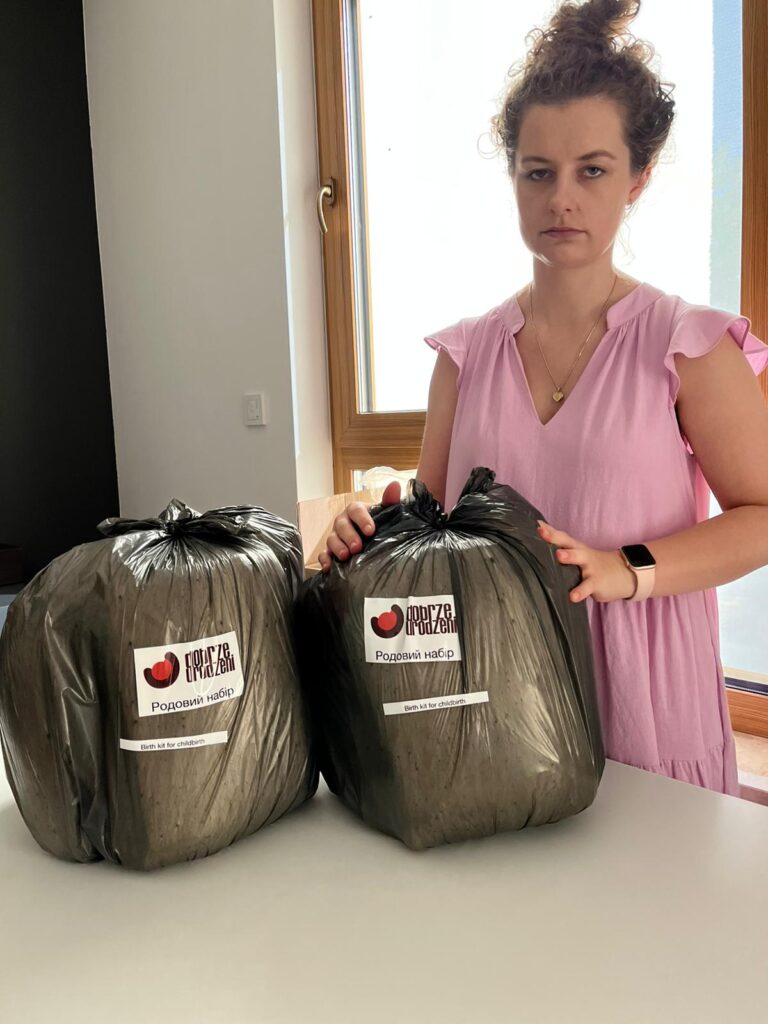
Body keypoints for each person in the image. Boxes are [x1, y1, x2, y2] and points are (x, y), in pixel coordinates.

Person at [317, 0, 768, 796]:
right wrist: (370, 532)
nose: (563, 198)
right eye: (539, 172)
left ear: (637, 180)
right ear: (514, 179)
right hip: (497, 700)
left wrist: (626, 568)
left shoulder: (689, 346)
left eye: (592, 170)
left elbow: (761, 515)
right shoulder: (464, 356)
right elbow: (432, 522)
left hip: (646, 703)